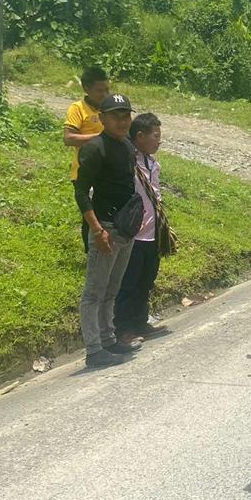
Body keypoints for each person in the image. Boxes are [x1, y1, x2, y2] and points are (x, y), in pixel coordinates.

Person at [75, 93, 142, 369]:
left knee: (112, 289)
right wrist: (97, 229)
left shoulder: (127, 146)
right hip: (105, 229)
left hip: (125, 229)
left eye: (126, 116)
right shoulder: (94, 148)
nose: (122, 121)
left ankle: (108, 339)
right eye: (116, 116)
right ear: (102, 118)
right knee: (94, 292)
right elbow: (81, 193)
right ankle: (94, 350)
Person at [115, 113, 172, 345]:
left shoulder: (152, 164)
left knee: (146, 281)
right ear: (139, 136)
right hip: (133, 235)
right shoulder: (127, 162)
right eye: (155, 136)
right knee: (128, 283)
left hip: (152, 234)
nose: (159, 141)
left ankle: (140, 322)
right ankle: (122, 329)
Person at [65, 66, 110, 250]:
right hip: (85, 171)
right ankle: (91, 253)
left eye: (107, 89)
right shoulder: (78, 109)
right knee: (90, 216)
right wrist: (100, 138)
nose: (104, 94)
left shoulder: (110, 108)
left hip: (108, 172)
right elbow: (68, 138)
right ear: (86, 89)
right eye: (100, 90)